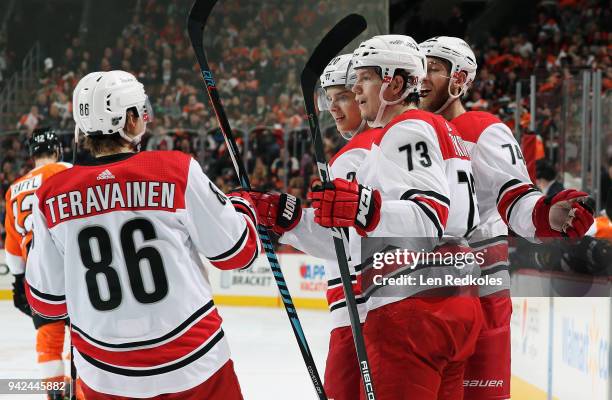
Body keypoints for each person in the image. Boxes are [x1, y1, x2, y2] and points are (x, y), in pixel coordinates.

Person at [24, 70, 261, 399]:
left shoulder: (49, 195)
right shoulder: (176, 169)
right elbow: (239, 254)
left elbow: (47, 304)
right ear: (131, 119)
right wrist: (242, 207)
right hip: (195, 365)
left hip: (105, 376)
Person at [419, 35, 594, 400]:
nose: (423, 76)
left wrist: (548, 215)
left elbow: (516, 198)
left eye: (434, 68)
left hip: (481, 300)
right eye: (420, 67)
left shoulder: (485, 130)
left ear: (459, 79)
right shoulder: (412, 136)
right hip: (419, 300)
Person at [310, 35, 483, 400]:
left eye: (366, 77)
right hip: (458, 296)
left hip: (413, 304)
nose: (355, 88)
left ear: (398, 83)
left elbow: (426, 217)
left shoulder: (405, 129)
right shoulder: (440, 128)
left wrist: (361, 208)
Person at [234, 53, 379, 400]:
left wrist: (290, 220)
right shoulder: (381, 146)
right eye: (330, 101)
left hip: (362, 312)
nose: (336, 109)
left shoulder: (355, 155)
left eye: (344, 96)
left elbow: (345, 244)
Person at [4, 127, 73, 400]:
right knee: (83, 335)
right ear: (57, 150)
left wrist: (19, 282)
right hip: (68, 266)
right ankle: (82, 390)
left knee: (48, 339)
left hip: (36, 275)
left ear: (32, 155)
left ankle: (55, 394)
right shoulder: (66, 170)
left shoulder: (13, 189)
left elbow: (12, 248)